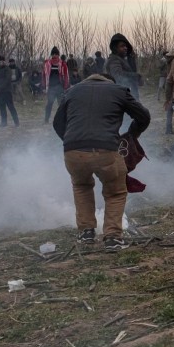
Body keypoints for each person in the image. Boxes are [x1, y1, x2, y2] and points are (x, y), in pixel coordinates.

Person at [53, 71, 150, 251]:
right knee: (115, 192)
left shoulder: (72, 92)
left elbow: (57, 123)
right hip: (106, 149)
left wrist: (72, 143)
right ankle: (113, 238)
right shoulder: (118, 90)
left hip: (73, 152)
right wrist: (131, 135)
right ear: (109, 81)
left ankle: (86, 232)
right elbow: (144, 116)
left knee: (81, 186)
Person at [105, 33, 141, 100]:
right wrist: (135, 76)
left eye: (126, 46)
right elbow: (118, 75)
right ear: (115, 48)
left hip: (125, 94)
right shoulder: (114, 59)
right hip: (120, 96)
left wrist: (131, 59)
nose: (125, 48)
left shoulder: (121, 59)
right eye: (122, 46)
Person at [43, 46, 70, 123]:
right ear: (51, 55)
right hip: (51, 87)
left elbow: (66, 75)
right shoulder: (47, 63)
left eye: (56, 54)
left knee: (61, 105)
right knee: (49, 104)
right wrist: (44, 87)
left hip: (59, 87)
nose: (54, 55)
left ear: (58, 55)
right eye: (53, 54)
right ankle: (46, 119)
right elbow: (44, 75)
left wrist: (65, 86)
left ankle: (63, 120)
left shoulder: (62, 64)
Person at [0, 55, 20, 127]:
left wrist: (0, 87)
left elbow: (7, 80)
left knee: (11, 107)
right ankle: (4, 123)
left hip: (6, 91)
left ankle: (16, 122)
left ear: (3, 61)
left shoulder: (7, 69)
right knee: (1, 107)